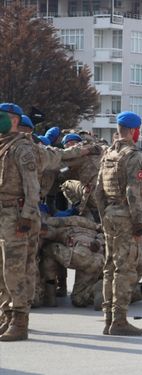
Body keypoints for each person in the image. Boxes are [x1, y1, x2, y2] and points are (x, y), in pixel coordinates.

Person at [94, 111, 142, 336]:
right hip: (126, 215)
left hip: (109, 214)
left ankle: (108, 319)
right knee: (124, 268)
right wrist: (137, 224)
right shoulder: (133, 156)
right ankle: (119, 321)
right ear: (135, 131)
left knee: (109, 267)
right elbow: (132, 192)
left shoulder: (108, 154)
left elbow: (98, 191)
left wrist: (103, 214)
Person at [0, 103, 41, 342]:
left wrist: (26, 217)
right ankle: (6, 315)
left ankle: (20, 321)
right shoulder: (3, 146)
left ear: (14, 119)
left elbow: (32, 187)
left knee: (16, 271)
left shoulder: (22, 148)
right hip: (2, 216)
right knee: (3, 271)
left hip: (16, 217)